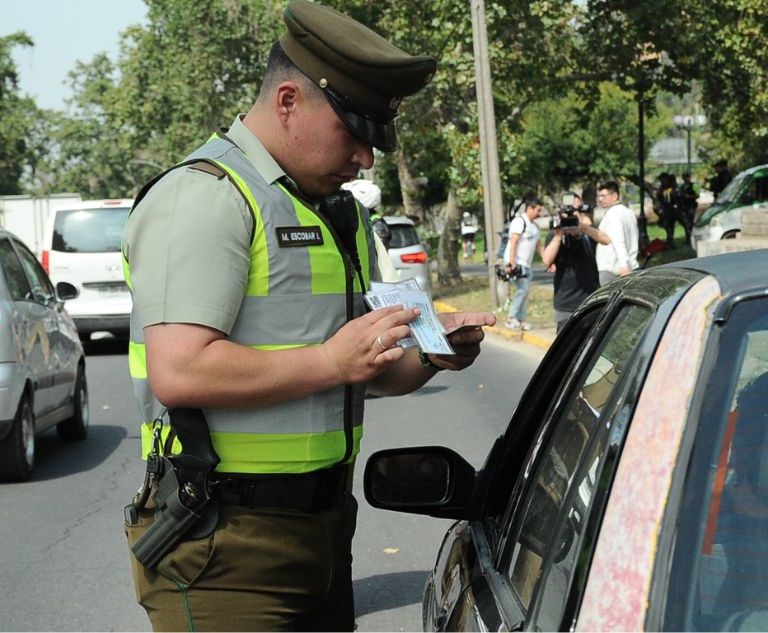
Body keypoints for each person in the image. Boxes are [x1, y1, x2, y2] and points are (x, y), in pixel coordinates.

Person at [121, 2, 495, 630]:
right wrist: (330, 360)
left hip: (322, 526)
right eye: (353, 132)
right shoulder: (208, 197)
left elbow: (359, 370)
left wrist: (430, 353)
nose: (367, 158)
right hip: (224, 543)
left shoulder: (326, 208)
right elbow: (180, 372)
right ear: (289, 101)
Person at [541, 193, 610, 332]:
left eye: (576, 210)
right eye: (569, 210)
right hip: (566, 303)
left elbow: (606, 240)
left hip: (591, 300)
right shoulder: (555, 235)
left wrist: (582, 227)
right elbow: (546, 260)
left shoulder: (587, 232)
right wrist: (559, 234)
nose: (572, 213)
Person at [504, 197, 545, 331]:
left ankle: (521, 320)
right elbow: (514, 242)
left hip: (527, 265)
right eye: (538, 210)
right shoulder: (519, 222)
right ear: (529, 208)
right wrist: (511, 262)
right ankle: (511, 318)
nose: (540, 213)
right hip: (516, 263)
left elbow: (539, 246)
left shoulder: (535, 227)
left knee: (526, 292)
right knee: (522, 289)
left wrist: (548, 261)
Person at [595, 181, 639, 286]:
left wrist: (623, 265)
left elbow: (618, 240)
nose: (600, 199)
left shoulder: (613, 214)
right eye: (599, 196)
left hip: (613, 270)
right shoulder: (628, 212)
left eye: (603, 196)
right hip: (631, 266)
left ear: (614, 196)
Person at [657, 172, 690, 248]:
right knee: (669, 228)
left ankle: (689, 240)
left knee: (686, 225)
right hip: (668, 210)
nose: (663, 182)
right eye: (661, 181)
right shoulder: (662, 188)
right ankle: (670, 243)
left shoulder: (674, 187)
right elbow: (661, 198)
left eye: (664, 180)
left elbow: (678, 196)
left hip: (677, 209)